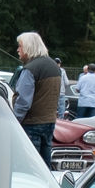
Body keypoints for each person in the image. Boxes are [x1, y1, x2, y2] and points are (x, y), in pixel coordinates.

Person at [13, 31, 60, 165]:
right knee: (44, 165)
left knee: (29, 165)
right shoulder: (53, 66)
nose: (18, 50)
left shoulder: (30, 69)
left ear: (28, 47)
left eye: (20, 46)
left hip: (31, 124)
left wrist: (15, 121)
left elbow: (23, 102)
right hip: (49, 122)